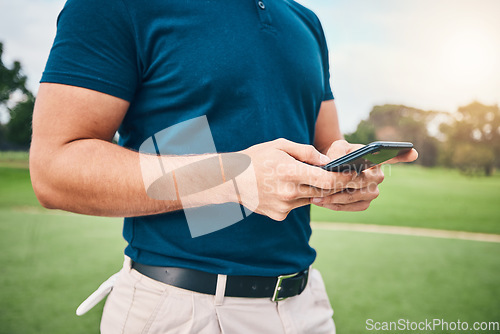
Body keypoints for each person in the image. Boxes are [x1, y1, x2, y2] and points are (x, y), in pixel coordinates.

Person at [30, 0, 418, 333]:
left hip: (305, 306)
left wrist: (346, 175)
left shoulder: (305, 22)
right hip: (182, 310)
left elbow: (324, 147)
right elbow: (53, 169)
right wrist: (232, 179)